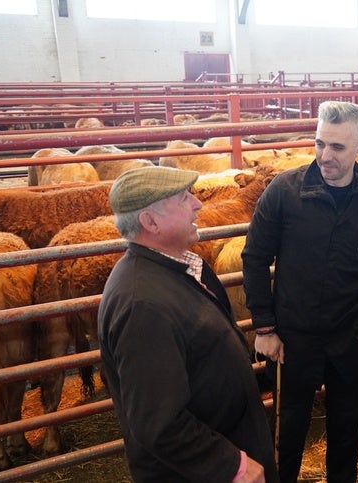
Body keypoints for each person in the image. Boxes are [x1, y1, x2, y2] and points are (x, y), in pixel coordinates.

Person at [241, 101, 358, 482]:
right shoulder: (285, 191)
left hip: (351, 338)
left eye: (337, 147)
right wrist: (265, 328)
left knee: (347, 428)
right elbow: (254, 258)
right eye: (320, 143)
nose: (325, 155)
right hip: (291, 340)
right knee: (287, 431)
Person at [98, 166, 278, 483]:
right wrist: (230, 466)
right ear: (150, 222)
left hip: (226, 443)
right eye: (183, 198)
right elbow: (159, 423)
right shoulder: (142, 307)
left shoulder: (177, 267)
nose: (197, 204)